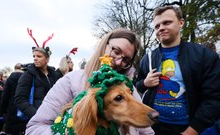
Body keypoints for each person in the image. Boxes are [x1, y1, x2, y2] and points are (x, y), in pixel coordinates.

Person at [26, 28, 155, 134]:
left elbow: (147, 132)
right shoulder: (70, 81)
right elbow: (34, 128)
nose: (118, 62)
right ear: (104, 45)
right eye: (116, 51)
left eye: (126, 60)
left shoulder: (128, 88)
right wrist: (69, 131)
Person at [136, 5, 220, 135]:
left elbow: (214, 98)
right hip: (152, 127)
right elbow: (136, 88)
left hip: (189, 128)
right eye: (157, 26)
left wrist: (192, 131)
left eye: (167, 22)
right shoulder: (148, 58)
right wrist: (144, 83)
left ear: (181, 23)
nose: (161, 28)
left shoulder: (204, 55)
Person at [14, 28, 58, 133]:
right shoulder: (28, 75)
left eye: (39, 56)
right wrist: (37, 114)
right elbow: (19, 99)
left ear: (47, 59)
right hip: (36, 121)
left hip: (54, 119)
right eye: (34, 56)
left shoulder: (54, 75)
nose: (35, 58)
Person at [1, 63, 26, 135]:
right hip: (24, 106)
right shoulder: (27, 78)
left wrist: (3, 110)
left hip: (11, 106)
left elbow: (5, 96)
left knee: (13, 130)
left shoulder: (9, 79)